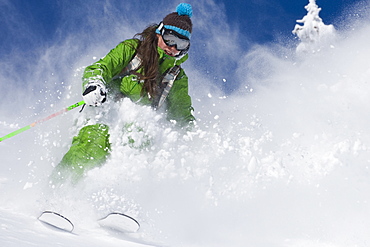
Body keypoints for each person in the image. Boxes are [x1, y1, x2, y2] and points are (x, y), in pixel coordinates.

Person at [53, 3, 195, 182]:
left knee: (138, 141)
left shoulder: (176, 77)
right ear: (160, 31)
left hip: (137, 123)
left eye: (181, 44)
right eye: (170, 38)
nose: (173, 48)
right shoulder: (133, 50)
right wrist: (94, 84)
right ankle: (57, 194)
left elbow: (182, 115)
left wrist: (193, 141)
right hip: (104, 110)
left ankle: (115, 200)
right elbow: (101, 67)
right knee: (92, 145)